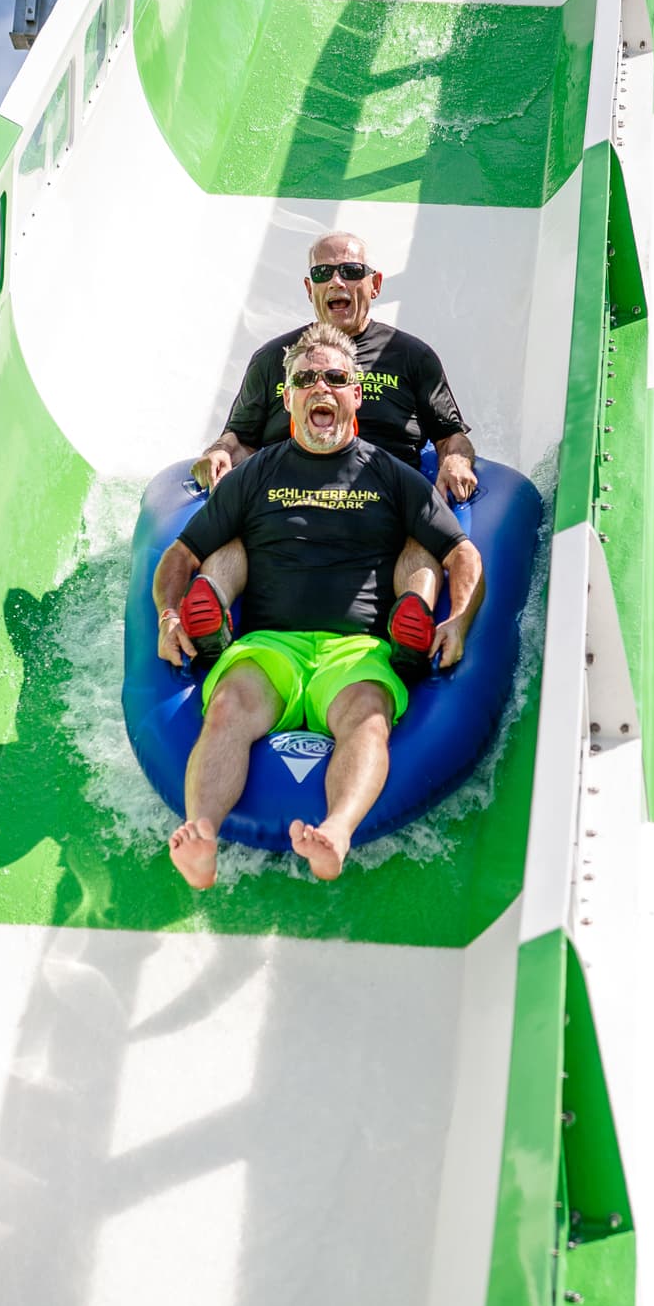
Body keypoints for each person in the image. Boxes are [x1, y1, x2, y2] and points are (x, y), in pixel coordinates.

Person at [154, 324, 484, 888]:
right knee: (229, 706)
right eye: (306, 379)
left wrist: (457, 621)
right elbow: (181, 555)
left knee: (367, 719)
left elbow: (461, 553)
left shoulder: (392, 476)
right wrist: (168, 614)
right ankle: (202, 835)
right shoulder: (256, 474)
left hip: (357, 649)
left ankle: (336, 830)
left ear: (356, 394)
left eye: (335, 377)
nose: (321, 387)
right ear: (288, 399)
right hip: (269, 645)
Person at [185, 233, 477, 678]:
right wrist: (220, 452)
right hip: (287, 489)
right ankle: (212, 618)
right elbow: (238, 436)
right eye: (324, 273)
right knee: (234, 523)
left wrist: (457, 459)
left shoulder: (411, 356)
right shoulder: (276, 360)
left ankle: (410, 622)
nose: (337, 280)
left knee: (419, 531)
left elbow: (450, 436)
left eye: (351, 271)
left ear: (374, 284)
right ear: (310, 289)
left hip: (384, 493)